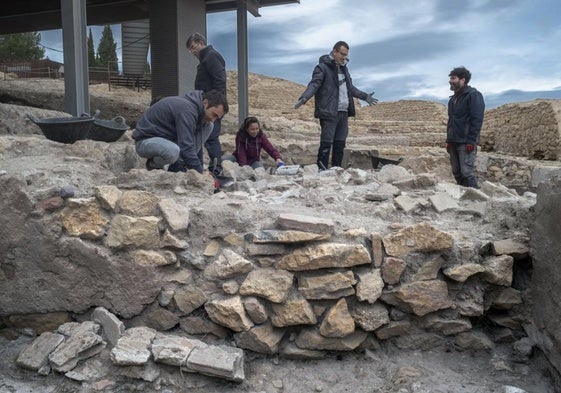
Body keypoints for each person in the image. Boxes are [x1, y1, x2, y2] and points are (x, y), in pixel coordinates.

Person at [294, 41, 378, 170]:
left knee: (340, 143)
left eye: (346, 55)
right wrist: (304, 97)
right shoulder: (322, 68)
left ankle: (336, 170)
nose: (344, 57)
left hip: (343, 112)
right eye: (342, 54)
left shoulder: (344, 69)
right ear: (334, 51)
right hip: (329, 112)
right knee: (326, 143)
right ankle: (322, 170)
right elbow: (314, 84)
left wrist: (365, 96)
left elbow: (351, 88)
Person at [132, 89, 228, 174]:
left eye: (217, 118)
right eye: (214, 114)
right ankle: (154, 166)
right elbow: (186, 145)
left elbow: (193, 145)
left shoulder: (199, 113)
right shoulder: (187, 110)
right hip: (145, 141)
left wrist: (198, 168)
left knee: (208, 126)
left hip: (167, 140)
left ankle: (178, 166)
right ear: (205, 103)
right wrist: (200, 173)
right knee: (173, 151)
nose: (213, 119)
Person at [186, 32, 227, 174]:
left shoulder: (211, 56)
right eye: (190, 49)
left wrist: (216, 105)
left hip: (212, 106)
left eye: (193, 47)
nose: (192, 51)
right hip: (205, 105)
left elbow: (220, 81)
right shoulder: (207, 58)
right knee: (200, 135)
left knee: (211, 137)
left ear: (201, 43)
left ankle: (216, 169)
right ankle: (197, 168)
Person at [446, 66, 485, 189]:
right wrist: (449, 140)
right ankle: (463, 195)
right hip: (454, 141)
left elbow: (477, 119)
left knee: (466, 172)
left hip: (465, 141)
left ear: (463, 80)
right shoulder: (453, 99)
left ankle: (476, 197)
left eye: (453, 78)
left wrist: (471, 140)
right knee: (456, 172)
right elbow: (451, 121)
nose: (450, 81)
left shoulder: (473, 95)